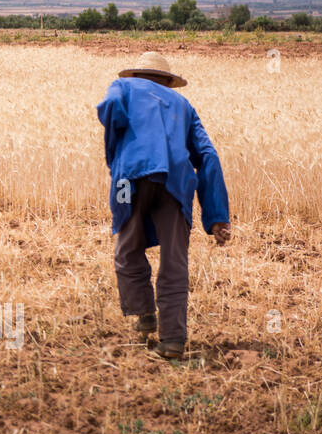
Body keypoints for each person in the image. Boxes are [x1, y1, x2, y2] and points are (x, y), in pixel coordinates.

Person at [96, 52, 230, 359]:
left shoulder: (123, 87)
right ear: (168, 81)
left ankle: (144, 316)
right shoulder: (183, 105)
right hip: (175, 184)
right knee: (174, 260)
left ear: (137, 75)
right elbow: (208, 156)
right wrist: (217, 217)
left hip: (127, 181)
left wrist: (117, 148)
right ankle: (172, 341)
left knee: (127, 244)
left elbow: (109, 108)